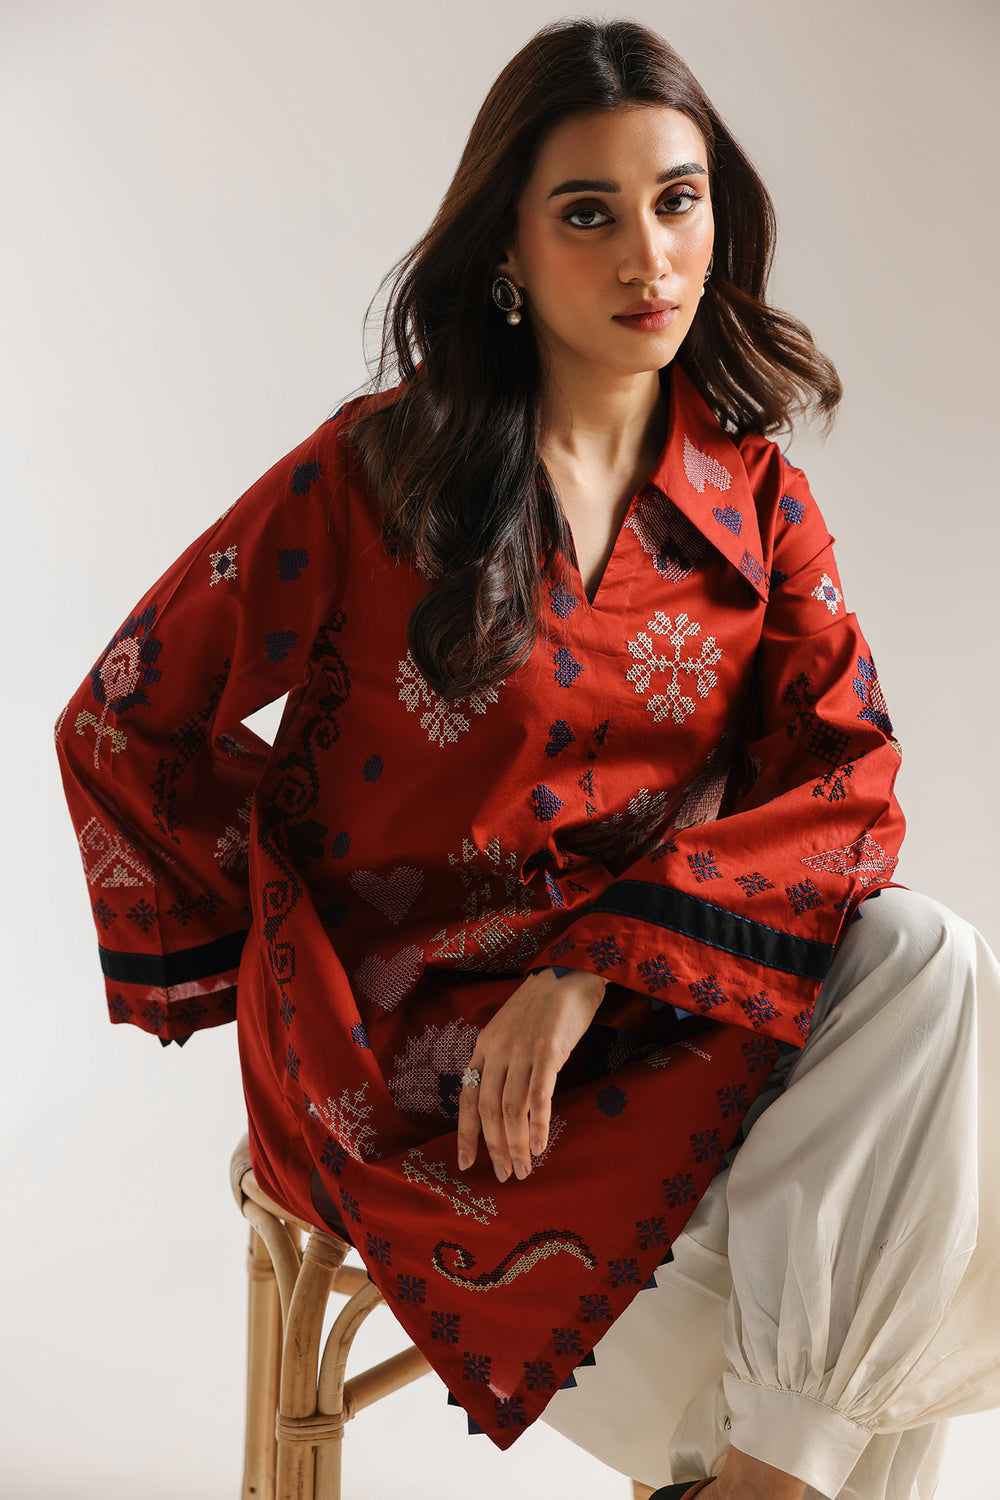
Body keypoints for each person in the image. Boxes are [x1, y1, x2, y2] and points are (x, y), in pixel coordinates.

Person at [54, 17, 1000, 1499]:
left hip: (649, 1010)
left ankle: (762, 1479)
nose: (649, 259)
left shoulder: (755, 501)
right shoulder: (375, 474)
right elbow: (123, 718)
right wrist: (290, 936)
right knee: (872, 1270)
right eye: (589, 214)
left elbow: (848, 784)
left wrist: (591, 971)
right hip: (409, 1066)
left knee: (931, 963)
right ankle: (776, 1468)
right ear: (507, 246)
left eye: (676, 202)